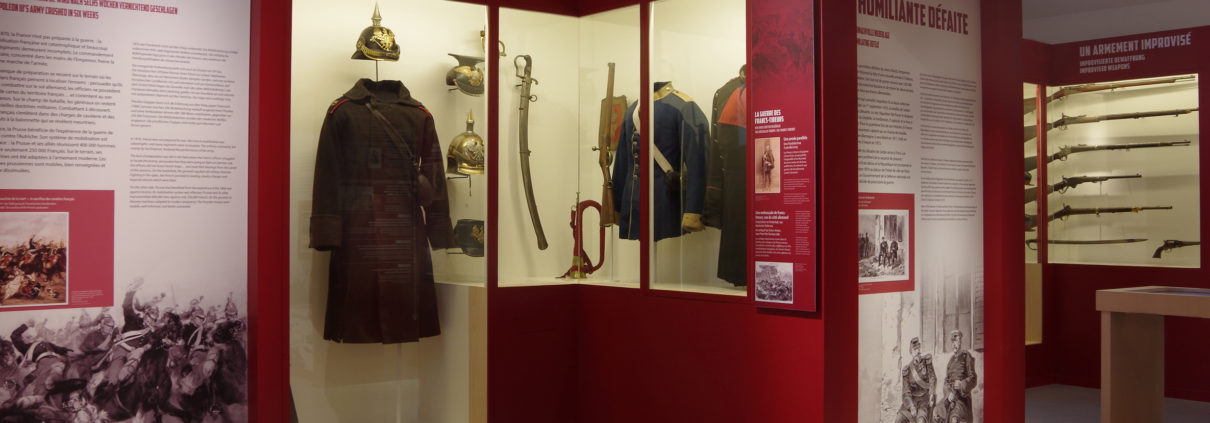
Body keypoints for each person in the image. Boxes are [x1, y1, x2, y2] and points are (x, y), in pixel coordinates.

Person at [939, 330, 977, 423]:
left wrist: (962, 384)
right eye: (952, 342)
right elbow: (946, 381)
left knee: (954, 419)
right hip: (951, 398)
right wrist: (948, 394)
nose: (954, 345)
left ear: (960, 342)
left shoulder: (966, 356)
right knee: (937, 413)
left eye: (956, 341)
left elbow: (973, 378)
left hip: (962, 398)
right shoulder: (951, 360)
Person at [897, 337, 935, 423]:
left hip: (924, 400)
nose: (917, 351)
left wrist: (932, 393)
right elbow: (906, 391)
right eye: (915, 350)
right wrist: (911, 406)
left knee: (921, 420)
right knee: (898, 419)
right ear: (911, 352)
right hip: (912, 400)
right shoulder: (907, 370)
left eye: (918, 348)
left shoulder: (926, 362)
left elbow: (932, 378)